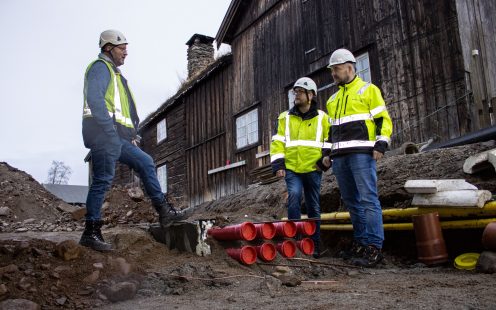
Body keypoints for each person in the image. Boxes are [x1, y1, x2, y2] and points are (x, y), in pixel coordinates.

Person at [80, 30, 185, 251]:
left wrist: (130, 136)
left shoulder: (117, 76)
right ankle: (91, 232)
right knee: (102, 180)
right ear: (108, 48)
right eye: (122, 48)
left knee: (145, 162)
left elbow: (122, 111)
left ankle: (164, 212)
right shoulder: (100, 68)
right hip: (103, 134)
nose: (126, 52)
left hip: (118, 137)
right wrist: (109, 132)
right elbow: (96, 100)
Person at [323, 48, 392, 267]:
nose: (333, 73)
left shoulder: (368, 90)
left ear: (350, 67)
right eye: (332, 70)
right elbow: (330, 131)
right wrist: (327, 153)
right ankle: (361, 243)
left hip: (362, 154)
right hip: (340, 158)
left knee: (368, 199)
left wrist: (381, 143)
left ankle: (374, 247)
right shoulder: (332, 100)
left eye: (336, 69)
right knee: (352, 201)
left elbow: (383, 119)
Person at [270, 77, 331, 258]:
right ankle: (295, 242)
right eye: (294, 92)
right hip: (292, 168)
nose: (296, 95)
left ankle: (315, 243)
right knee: (294, 196)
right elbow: (278, 142)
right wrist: (278, 165)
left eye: (300, 92)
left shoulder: (323, 118)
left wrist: (325, 162)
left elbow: (330, 141)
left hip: (313, 168)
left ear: (311, 95)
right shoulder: (285, 118)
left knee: (313, 205)